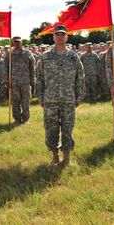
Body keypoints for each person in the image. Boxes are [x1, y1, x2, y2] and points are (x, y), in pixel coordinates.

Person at [35, 25, 85, 165]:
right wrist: (40, 97)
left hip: (68, 99)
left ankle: (67, 158)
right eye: (57, 34)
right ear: (53, 37)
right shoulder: (45, 57)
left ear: (67, 37)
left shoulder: (73, 57)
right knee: (51, 129)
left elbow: (80, 77)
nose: (60, 37)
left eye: (63, 34)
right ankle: (55, 157)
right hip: (50, 100)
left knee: (67, 129)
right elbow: (39, 79)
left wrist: (79, 96)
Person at [5, 36, 35, 123]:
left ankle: (26, 119)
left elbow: (32, 67)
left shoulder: (28, 53)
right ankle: (17, 119)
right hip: (13, 82)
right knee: (15, 101)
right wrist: (6, 80)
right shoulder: (9, 54)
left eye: (18, 42)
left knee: (25, 101)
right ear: (13, 43)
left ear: (21, 42)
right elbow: (5, 68)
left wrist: (33, 80)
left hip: (25, 81)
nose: (17, 43)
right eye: (15, 42)